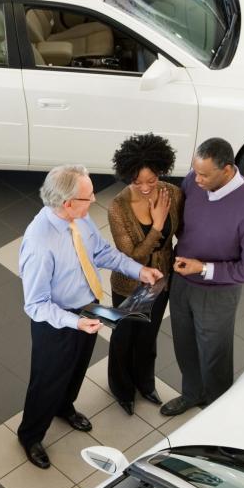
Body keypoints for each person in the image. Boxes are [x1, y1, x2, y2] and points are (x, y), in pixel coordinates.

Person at [19, 164, 162, 469]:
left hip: (87, 309)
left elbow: (101, 254)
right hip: (57, 322)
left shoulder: (80, 221)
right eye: (88, 196)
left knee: (76, 368)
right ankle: (30, 435)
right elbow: (35, 304)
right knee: (48, 379)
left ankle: (64, 406)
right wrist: (75, 322)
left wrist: (139, 270)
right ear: (67, 203)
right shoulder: (39, 243)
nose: (95, 199)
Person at [161, 137, 244, 417]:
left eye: (204, 174)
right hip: (182, 282)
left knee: (214, 354)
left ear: (227, 170)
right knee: (184, 344)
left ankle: (218, 411)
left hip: (218, 292)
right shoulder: (194, 182)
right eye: (195, 171)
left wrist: (203, 268)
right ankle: (192, 394)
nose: (195, 179)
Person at [106, 134, 183, 416]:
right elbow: (133, 256)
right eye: (138, 181)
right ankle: (122, 388)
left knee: (148, 335)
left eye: (152, 180)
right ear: (128, 177)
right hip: (130, 283)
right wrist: (157, 225)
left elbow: (183, 232)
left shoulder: (172, 194)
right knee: (124, 337)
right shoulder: (118, 207)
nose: (146, 187)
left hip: (161, 279)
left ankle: (145, 383)